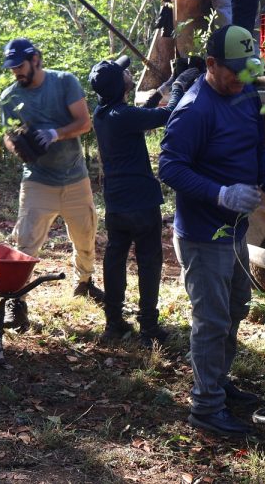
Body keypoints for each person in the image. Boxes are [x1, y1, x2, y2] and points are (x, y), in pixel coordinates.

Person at [159, 24, 265, 437]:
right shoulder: (195, 109)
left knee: (236, 308)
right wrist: (220, 193)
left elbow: (257, 147)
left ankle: (218, 382)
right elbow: (169, 167)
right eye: (234, 71)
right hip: (202, 235)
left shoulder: (246, 93)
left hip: (235, 232)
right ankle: (205, 407)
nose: (241, 78)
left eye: (247, 69)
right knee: (211, 320)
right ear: (211, 63)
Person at [88, 55, 200, 346]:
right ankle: (148, 326)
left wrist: (166, 84)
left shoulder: (103, 113)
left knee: (115, 260)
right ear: (121, 85)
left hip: (116, 204)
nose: (130, 73)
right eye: (125, 73)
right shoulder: (124, 116)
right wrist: (180, 85)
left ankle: (114, 322)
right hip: (140, 202)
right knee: (149, 262)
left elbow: (142, 111)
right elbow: (169, 114)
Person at [0, 38, 103, 328]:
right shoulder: (9, 97)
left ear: (35, 59)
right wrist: (17, 146)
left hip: (74, 176)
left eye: (20, 66)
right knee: (25, 241)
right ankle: (16, 300)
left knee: (85, 235)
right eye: (12, 68)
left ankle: (84, 282)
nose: (16, 72)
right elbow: (8, 134)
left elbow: (84, 122)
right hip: (38, 180)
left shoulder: (64, 82)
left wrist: (55, 134)